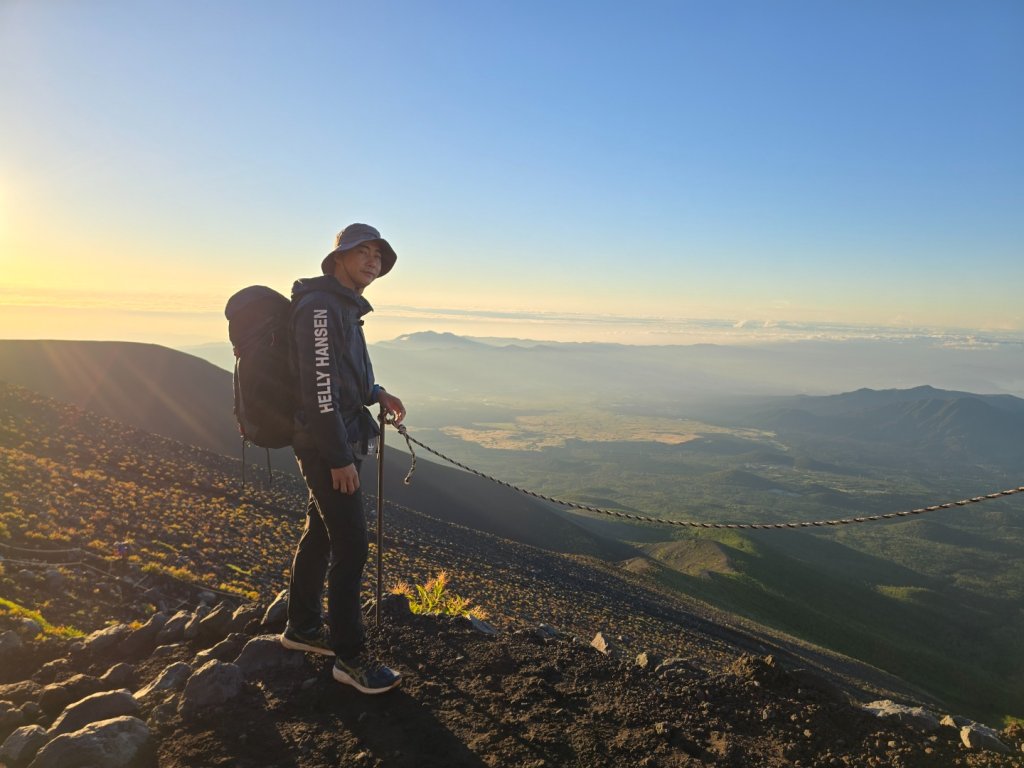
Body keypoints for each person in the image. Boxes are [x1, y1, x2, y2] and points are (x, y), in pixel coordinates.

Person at [280, 223, 407, 694]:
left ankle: (302, 629)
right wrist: (338, 458)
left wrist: (377, 392)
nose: (373, 260)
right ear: (339, 257)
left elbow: (343, 373)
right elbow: (318, 390)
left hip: (339, 439)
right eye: (364, 252)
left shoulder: (342, 307)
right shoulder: (319, 307)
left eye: (379, 254)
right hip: (326, 446)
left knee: (321, 534)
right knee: (352, 546)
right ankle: (350, 658)